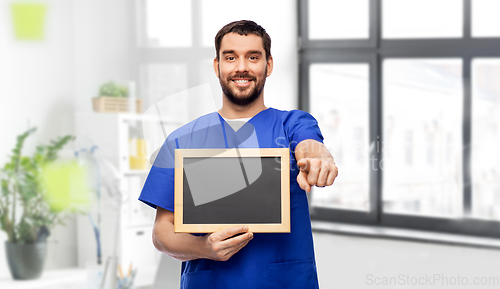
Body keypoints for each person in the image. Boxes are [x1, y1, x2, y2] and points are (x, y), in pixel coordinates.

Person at [139, 20, 338, 289]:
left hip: (283, 281)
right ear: (217, 66)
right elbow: (162, 232)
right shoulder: (181, 141)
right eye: (230, 57)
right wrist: (204, 247)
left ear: (268, 65)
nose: (241, 67)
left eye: (252, 57)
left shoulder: (291, 125)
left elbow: (310, 145)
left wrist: (318, 158)